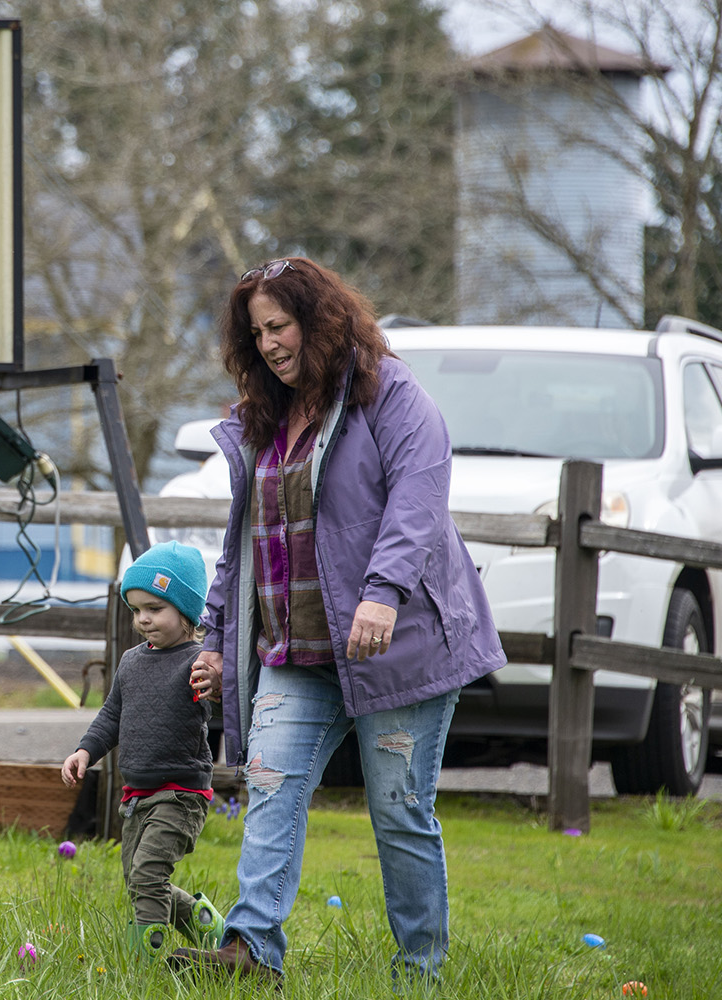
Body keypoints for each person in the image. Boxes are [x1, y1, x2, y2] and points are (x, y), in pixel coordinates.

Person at [173, 257, 504, 985]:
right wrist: (220, 638)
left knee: (400, 813)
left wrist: (383, 592)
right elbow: (246, 543)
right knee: (270, 787)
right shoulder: (263, 418)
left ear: (318, 321)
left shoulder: (391, 395)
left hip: (401, 648)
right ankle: (250, 950)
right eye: (255, 332)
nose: (267, 344)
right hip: (297, 650)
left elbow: (419, 501)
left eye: (279, 326)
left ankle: (420, 971)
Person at [61, 541, 229, 965]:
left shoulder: (200, 662)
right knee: (140, 880)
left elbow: (229, 703)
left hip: (181, 794)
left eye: (155, 608)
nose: (143, 619)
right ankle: (204, 922)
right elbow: (111, 714)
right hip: (136, 795)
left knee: (149, 874)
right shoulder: (131, 662)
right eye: (136, 610)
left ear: (187, 612)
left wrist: (218, 687)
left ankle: (147, 962)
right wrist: (86, 750)